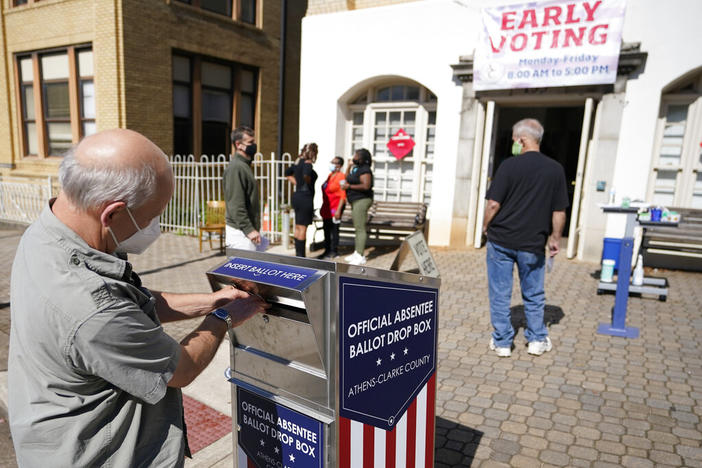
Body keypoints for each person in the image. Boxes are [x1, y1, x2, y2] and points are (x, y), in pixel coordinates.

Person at [8, 129, 270, 467]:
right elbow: (181, 368)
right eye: (152, 215)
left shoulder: (47, 232)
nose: (155, 227)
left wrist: (213, 300)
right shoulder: (89, 305)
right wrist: (225, 318)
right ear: (112, 214)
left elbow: (130, 305)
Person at [482, 118, 568, 358]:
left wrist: (485, 227)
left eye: (513, 139)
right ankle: (537, 340)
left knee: (500, 293)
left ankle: (502, 343)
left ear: (522, 140)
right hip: (533, 242)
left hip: (501, 240)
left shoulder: (508, 166)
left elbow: (493, 204)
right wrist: (555, 238)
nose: (512, 144)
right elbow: (559, 211)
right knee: (534, 293)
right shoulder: (555, 170)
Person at [223, 126, 261, 251]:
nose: (254, 145)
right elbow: (236, 204)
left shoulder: (244, 166)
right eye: (250, 142)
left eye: (254, 142)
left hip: (245, 233)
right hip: (241, 234)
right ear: (238, 144)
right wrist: (249, 229)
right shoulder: (236, 168)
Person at [340, 148, 374, 266]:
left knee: (360, 228)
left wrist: (349, 187)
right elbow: (346, 177)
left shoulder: (365, 170)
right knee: (357, 226)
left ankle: (360, 256)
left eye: (356, 155)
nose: (354, 156)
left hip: (362, 200)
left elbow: (366, 186)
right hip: (355, 200)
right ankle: (357, 252)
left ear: (362, 158)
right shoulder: (356, 169)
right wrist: (349, 166)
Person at [285, 143, 318, 257]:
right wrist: (306, 182)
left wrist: (298, 183)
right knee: (303, 227)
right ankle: (301, 257)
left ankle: (298, 254)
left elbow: (287, 173)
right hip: (305, 198)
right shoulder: (308, 164)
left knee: (298, 226)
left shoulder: (298, 162)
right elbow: (306, 175)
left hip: (297, 196)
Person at [319, 156, 347, 259]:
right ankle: (327, 250)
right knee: (326, 229)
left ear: (339, 165)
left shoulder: (341, 177)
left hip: (335, 207)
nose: (331, 163)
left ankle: (334, 251)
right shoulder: (330, 175)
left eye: (333, 162)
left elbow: (343, 195)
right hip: (327, 207)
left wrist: (339, 210)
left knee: (334, 230)